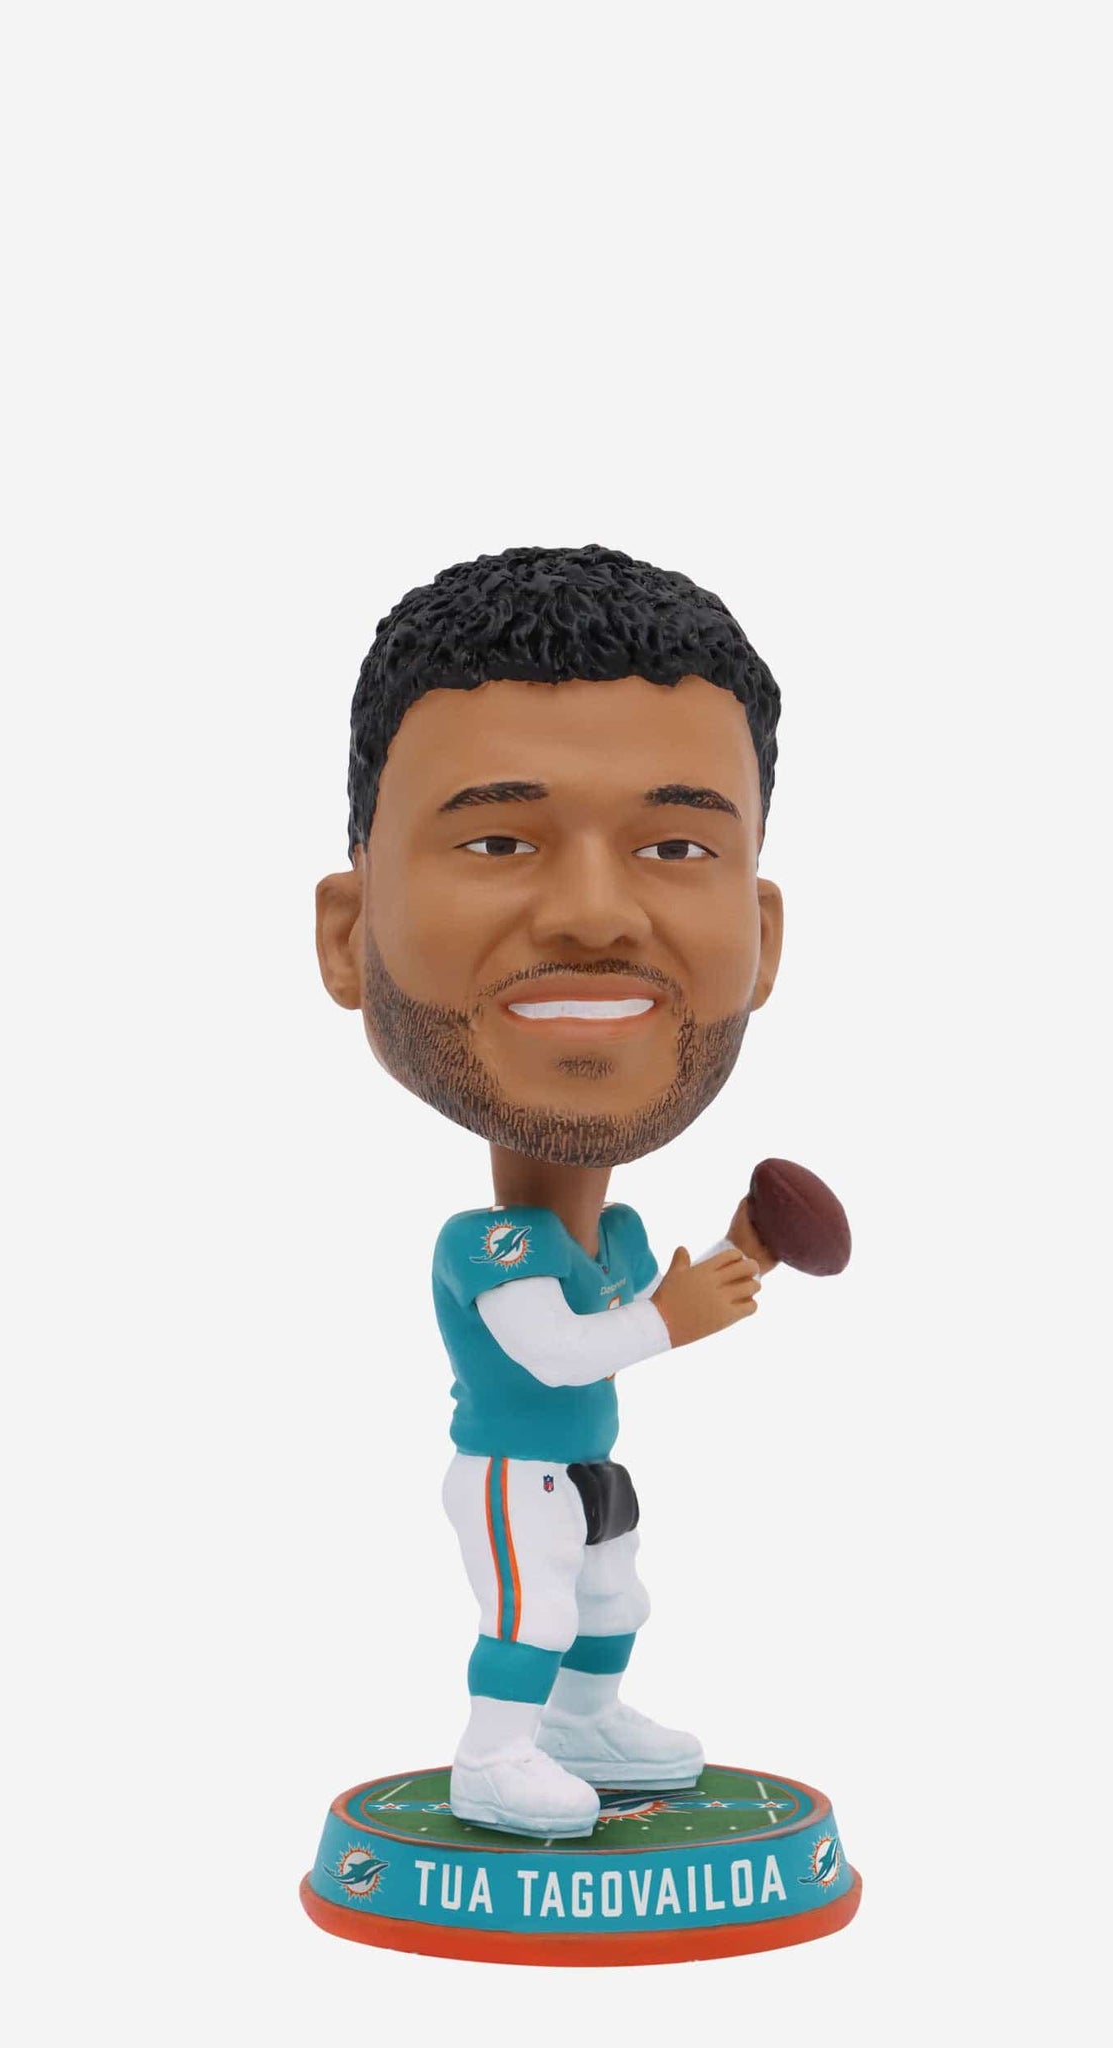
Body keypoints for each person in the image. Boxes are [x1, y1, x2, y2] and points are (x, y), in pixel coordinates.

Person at [313, 544, 785, 1838]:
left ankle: (586, 1722)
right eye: (500, 840)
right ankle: (496, 1754)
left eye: (676, 845)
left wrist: (744, 1249)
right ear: (350, 935)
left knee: (613, 1599)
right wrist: (676, 1318)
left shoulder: (612, 1230)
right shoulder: (488, 1249)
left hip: (583, 1465)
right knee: (529, 1611)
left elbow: (631, 1305)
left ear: (765, 938)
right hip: (513, 1471)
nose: (593, 914)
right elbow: (567, 1351)